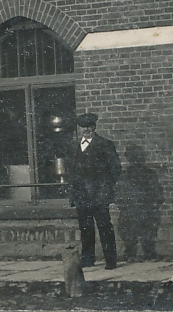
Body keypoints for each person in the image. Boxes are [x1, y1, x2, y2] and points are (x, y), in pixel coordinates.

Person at [66, 112, 120, 269]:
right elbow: (72, 171)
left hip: (99, 195)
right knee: (85, 228)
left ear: (95, 127)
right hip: (81, 195)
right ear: (79, 128)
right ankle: (88, 259)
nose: (86, 130)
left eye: (89, 126)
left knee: (104, 227)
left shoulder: (105, 144)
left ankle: (111, 260)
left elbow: (115, 169)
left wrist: (104, 188)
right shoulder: (74, 147)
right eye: (83, 127)